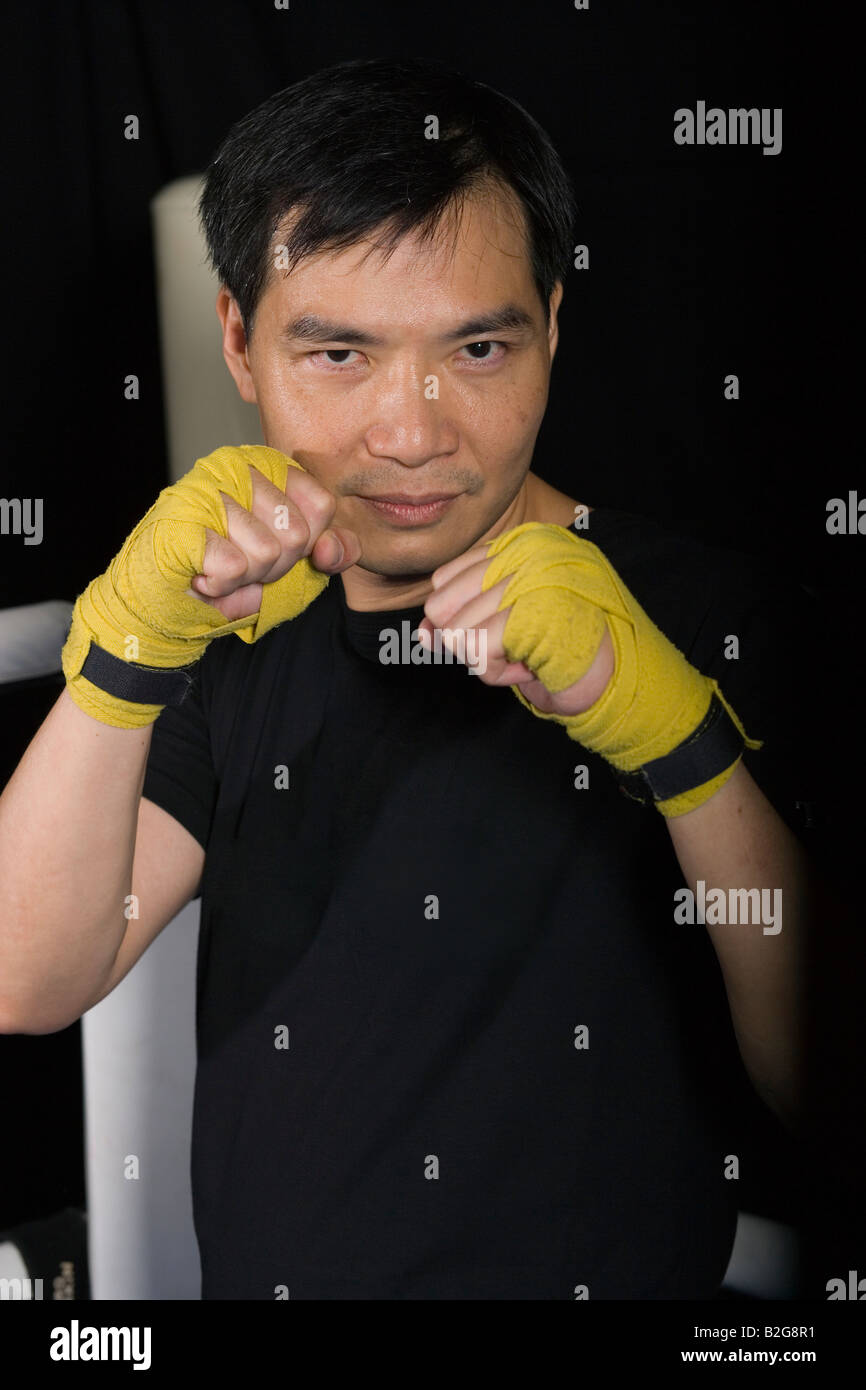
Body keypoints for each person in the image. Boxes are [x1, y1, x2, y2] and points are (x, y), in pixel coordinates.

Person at [0, 56, 819, 1300]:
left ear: (552, 322)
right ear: (238, 339)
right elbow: (25, 976)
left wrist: (681, 740)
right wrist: (125, 650)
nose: (410, 430)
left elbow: (816, 1086)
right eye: (337, 354)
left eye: (477, 346)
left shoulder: (708, 609)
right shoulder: (235, 628)